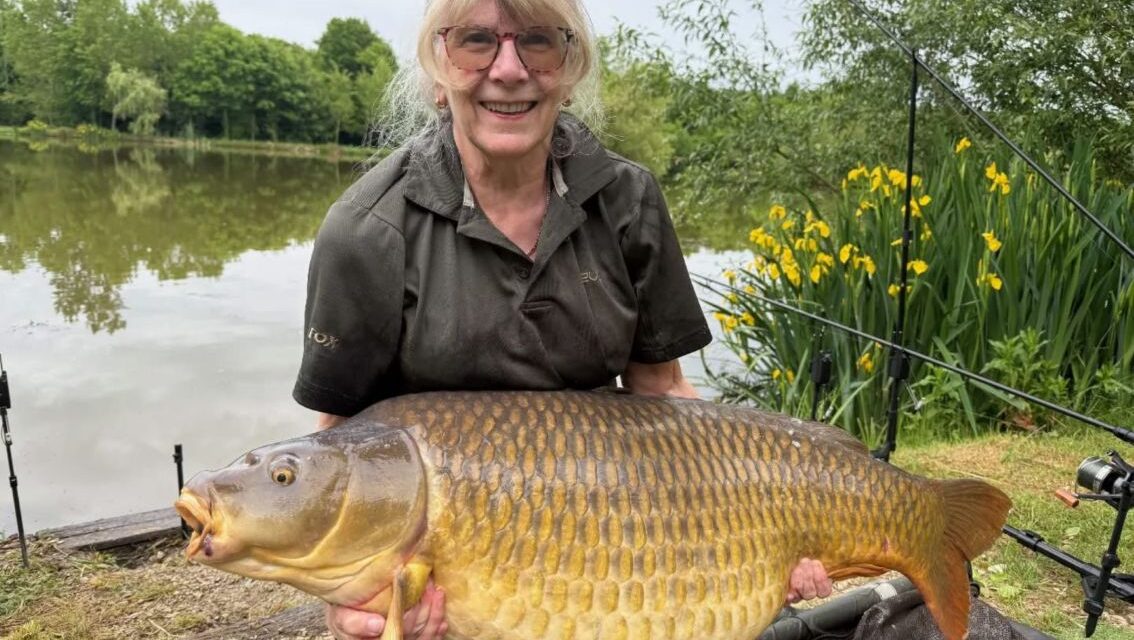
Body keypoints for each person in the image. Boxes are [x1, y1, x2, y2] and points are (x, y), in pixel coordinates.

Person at [292, 0, 831, 638]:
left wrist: (774, 522)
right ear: (439, 68)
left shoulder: (628, 199)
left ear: (570, 66)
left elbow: (664, 392)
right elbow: (339, 441)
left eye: (539, 42)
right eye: (476, 42)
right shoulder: (364, 231)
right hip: (452, 551)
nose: (509, 69)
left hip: (608, 533)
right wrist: (347, 587)